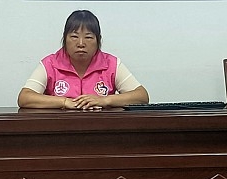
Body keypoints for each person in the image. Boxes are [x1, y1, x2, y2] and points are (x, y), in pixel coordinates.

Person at [17, 10, 149, 110]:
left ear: (98, 40)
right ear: (65, 39)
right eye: (74, 36)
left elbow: (142, 96)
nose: (81, 43)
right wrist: (64, 102)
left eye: (88, 37)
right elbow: (25, 97)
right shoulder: (50, 63)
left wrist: (105, 100)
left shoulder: (111, 64)